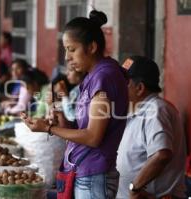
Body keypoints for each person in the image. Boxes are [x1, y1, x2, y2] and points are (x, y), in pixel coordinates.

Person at [21, 10, 128, 199]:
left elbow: (93, 137)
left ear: (92, 47)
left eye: (72, 49)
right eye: (65, 50)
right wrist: (59, 115)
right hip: (84, 171)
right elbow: (81, 129)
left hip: (93, 176)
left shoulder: (104, 77)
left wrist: (48, 128)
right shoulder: (92, 76)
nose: (67, 57)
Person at [116, 56, 186, 199]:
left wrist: (134, 187)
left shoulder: (156, 110)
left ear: (140, 88)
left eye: (124, 82)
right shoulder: (139, 111)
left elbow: (161, 155)